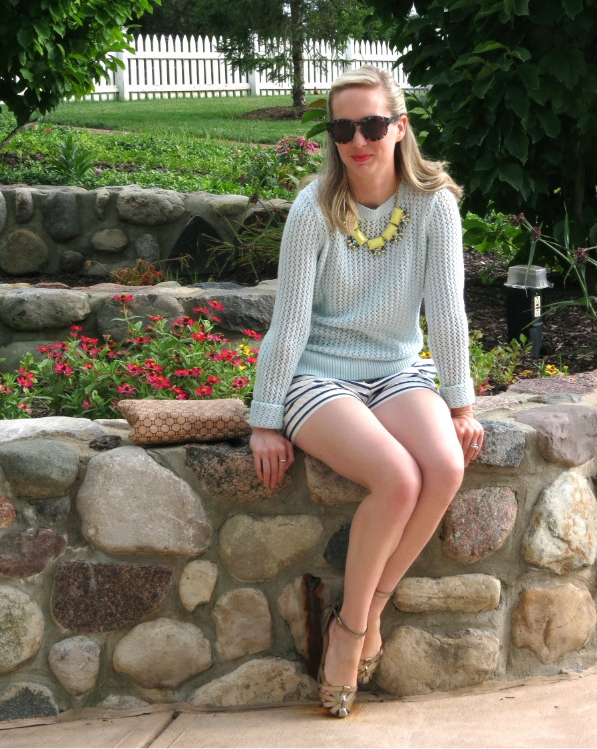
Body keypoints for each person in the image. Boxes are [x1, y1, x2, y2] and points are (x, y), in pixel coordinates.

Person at [247, 65, 484, 718]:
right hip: (318, 375)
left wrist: (459, 403)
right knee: (398, 480)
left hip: (396, 372)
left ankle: (361, 615)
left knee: (442, 464)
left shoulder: (432, 203)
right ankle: (350, 640)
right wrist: (266, 418)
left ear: (399, 127)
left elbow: (448, 308)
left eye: (373, 125)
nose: (359, 140)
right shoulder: (314, 208)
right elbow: (290, 322)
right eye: (344, 127)